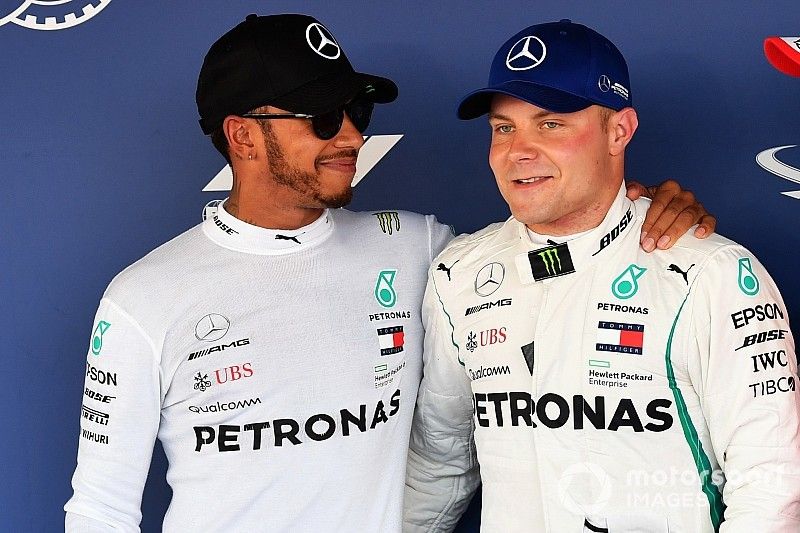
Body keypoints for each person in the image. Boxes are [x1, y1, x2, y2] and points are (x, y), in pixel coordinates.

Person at [64, 14, 713, 532]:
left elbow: (561, 247)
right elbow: (100, 509)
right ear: (242, 136)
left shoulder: (419, 249)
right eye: (323, 118)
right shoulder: (143, 299)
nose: (351, 136)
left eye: (359, 114)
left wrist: (644, 208)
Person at [405, 19, 800, 533]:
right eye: (503, 128)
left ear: (619, 131)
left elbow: (771, 487)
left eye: (551, 124)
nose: (517, 150)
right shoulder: (458, 272)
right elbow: (439, 461)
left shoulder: (713, 273)